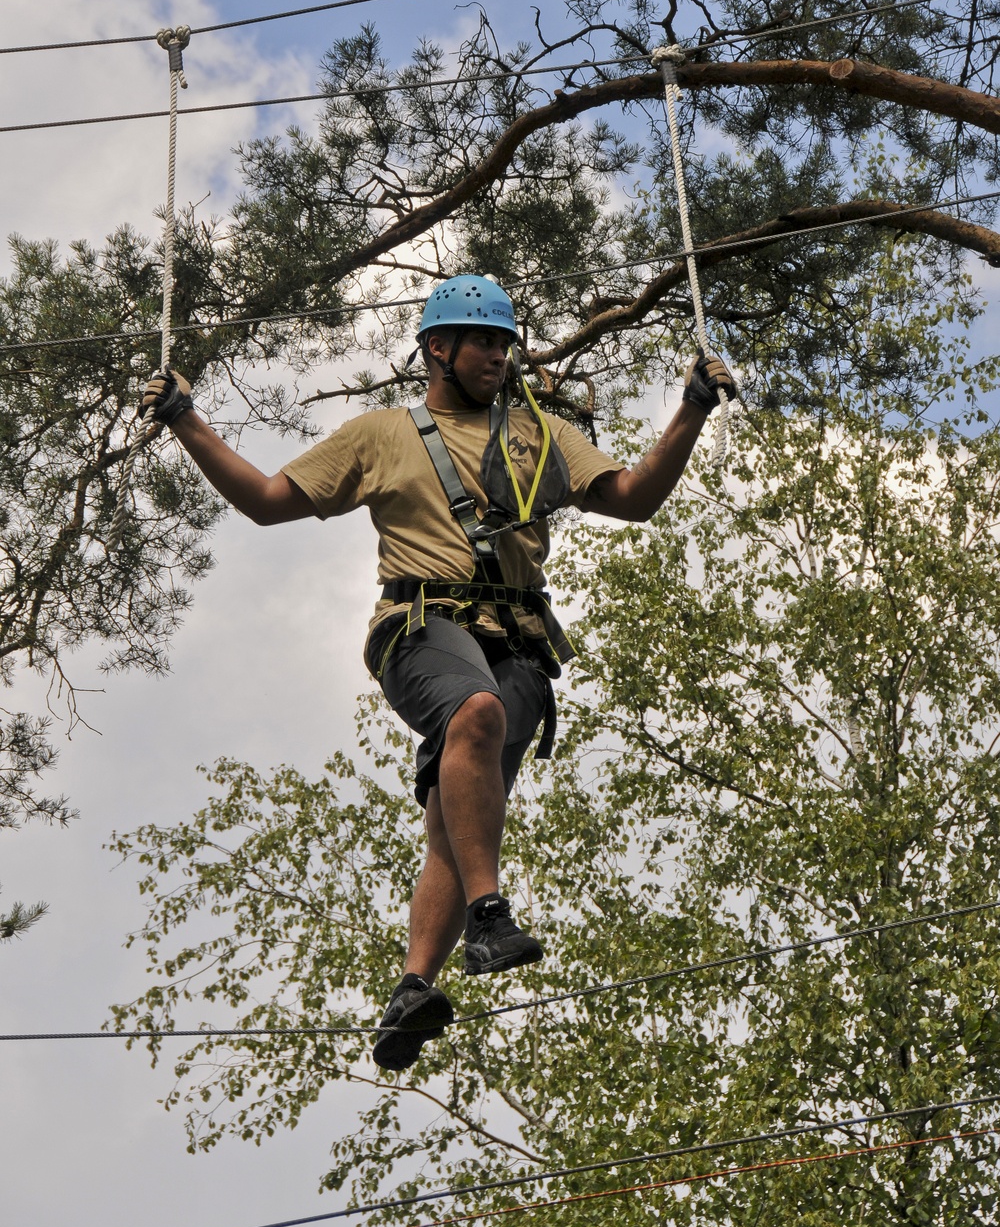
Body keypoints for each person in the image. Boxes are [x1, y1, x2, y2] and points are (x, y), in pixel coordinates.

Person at [140, 275, 735, 1072]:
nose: (499, 354)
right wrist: (185, 419)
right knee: (477, 717)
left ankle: (413, 988)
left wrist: (690, 410)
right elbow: (267, 498)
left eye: (504, 342)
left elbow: (632, 497)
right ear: (437, 349)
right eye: (483, 341)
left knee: (461, 820)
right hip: (421, 627)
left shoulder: (539, 436)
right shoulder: (381, 435)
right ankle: (490, 915)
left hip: (518, 640)